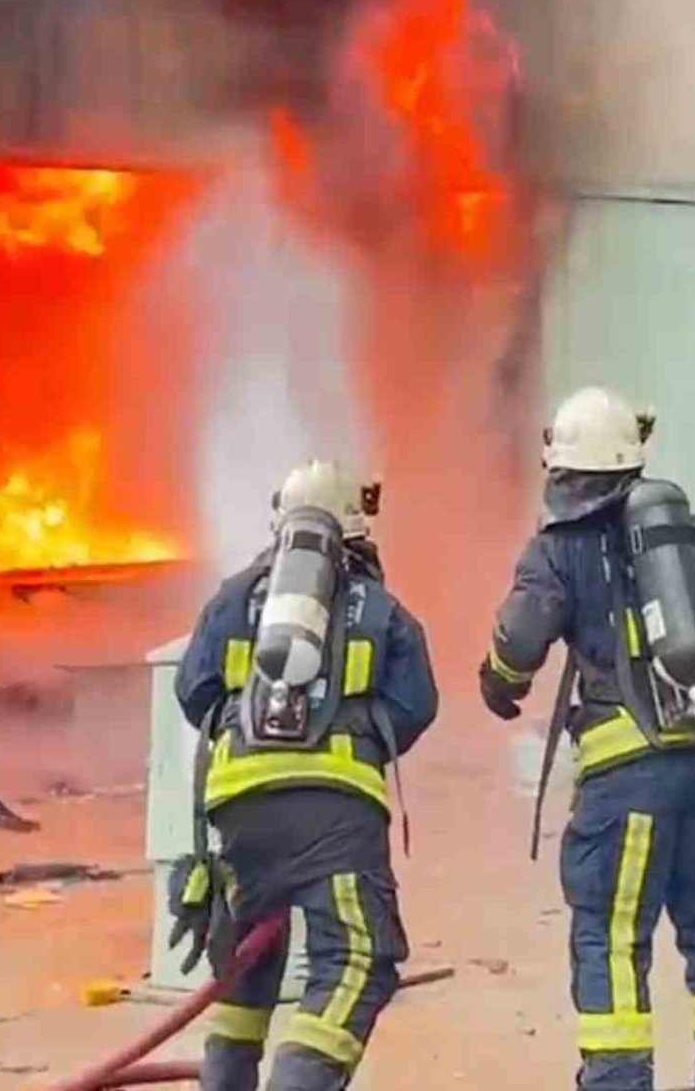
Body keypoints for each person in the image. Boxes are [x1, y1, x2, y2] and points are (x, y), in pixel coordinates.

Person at [479, 387, 695, 1091]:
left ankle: (618, 1079)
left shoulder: (559, 550)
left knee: (612, 935)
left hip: (625, 781)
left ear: (563, 469)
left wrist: (500, 684)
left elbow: (520, 640)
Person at [174, 459, 438, 1091]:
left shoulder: (233, 597)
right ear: (357, 524)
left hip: (240, 809)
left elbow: (192, 691)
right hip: (335, 818)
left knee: (245, 971)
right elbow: (416, 705)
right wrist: (356, 739)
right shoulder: (381, 607)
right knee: (354, 962)